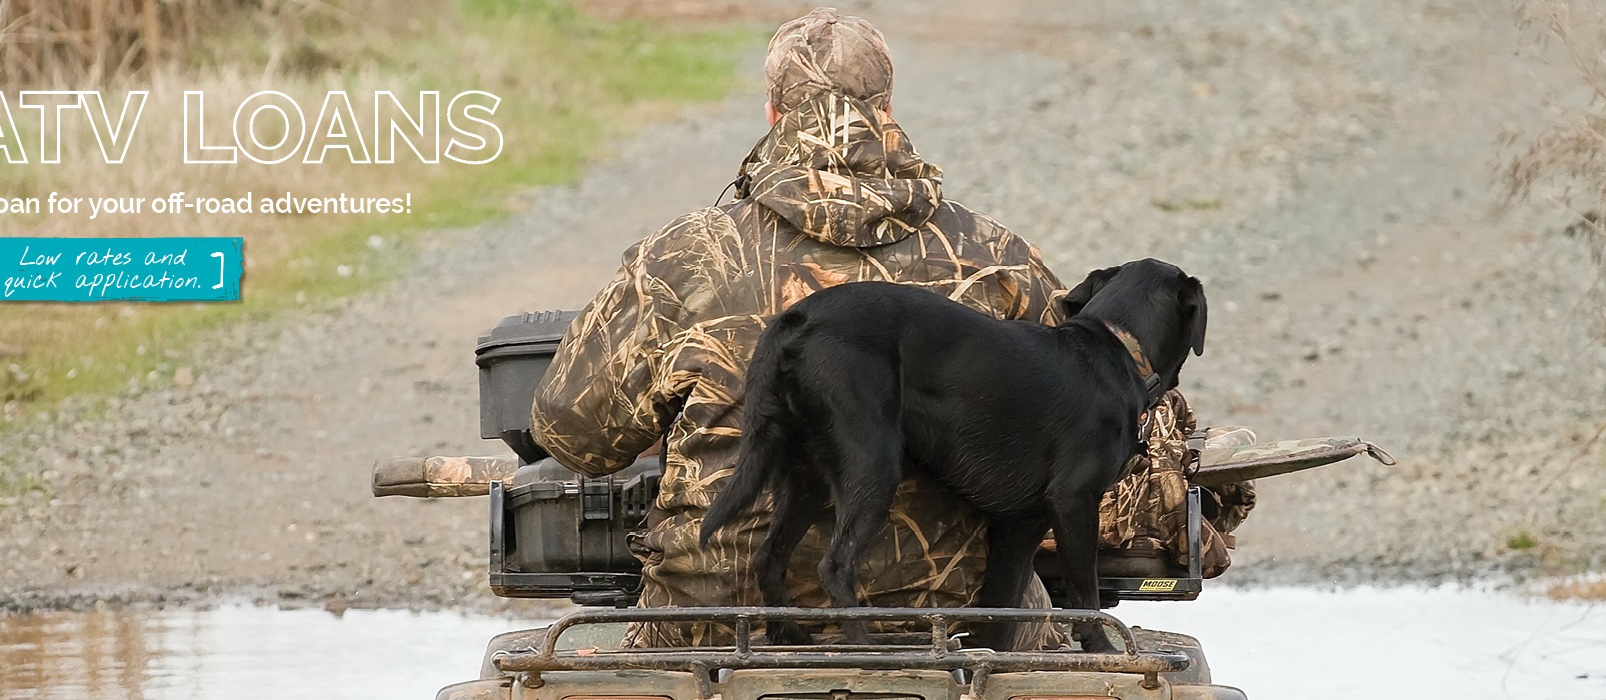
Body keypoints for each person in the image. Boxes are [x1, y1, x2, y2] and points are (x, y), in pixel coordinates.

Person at [532, 7, 1249, 648]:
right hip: (956, 623)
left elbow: (570, 435)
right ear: (888, 108)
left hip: (716, 618)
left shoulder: (682, 257)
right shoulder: (996, 258)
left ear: (774, 114)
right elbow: (1074, 421)